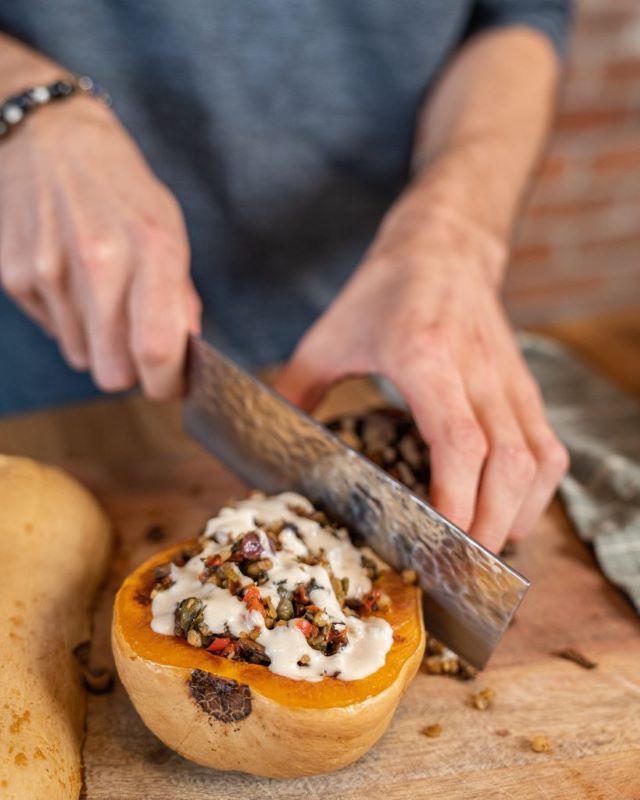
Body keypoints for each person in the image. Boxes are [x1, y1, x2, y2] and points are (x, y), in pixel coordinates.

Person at [0, 1, 571, 554]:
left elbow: (517, 15)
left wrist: (457, 229)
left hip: (370, 327)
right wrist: (20, 102)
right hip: (38, 373)